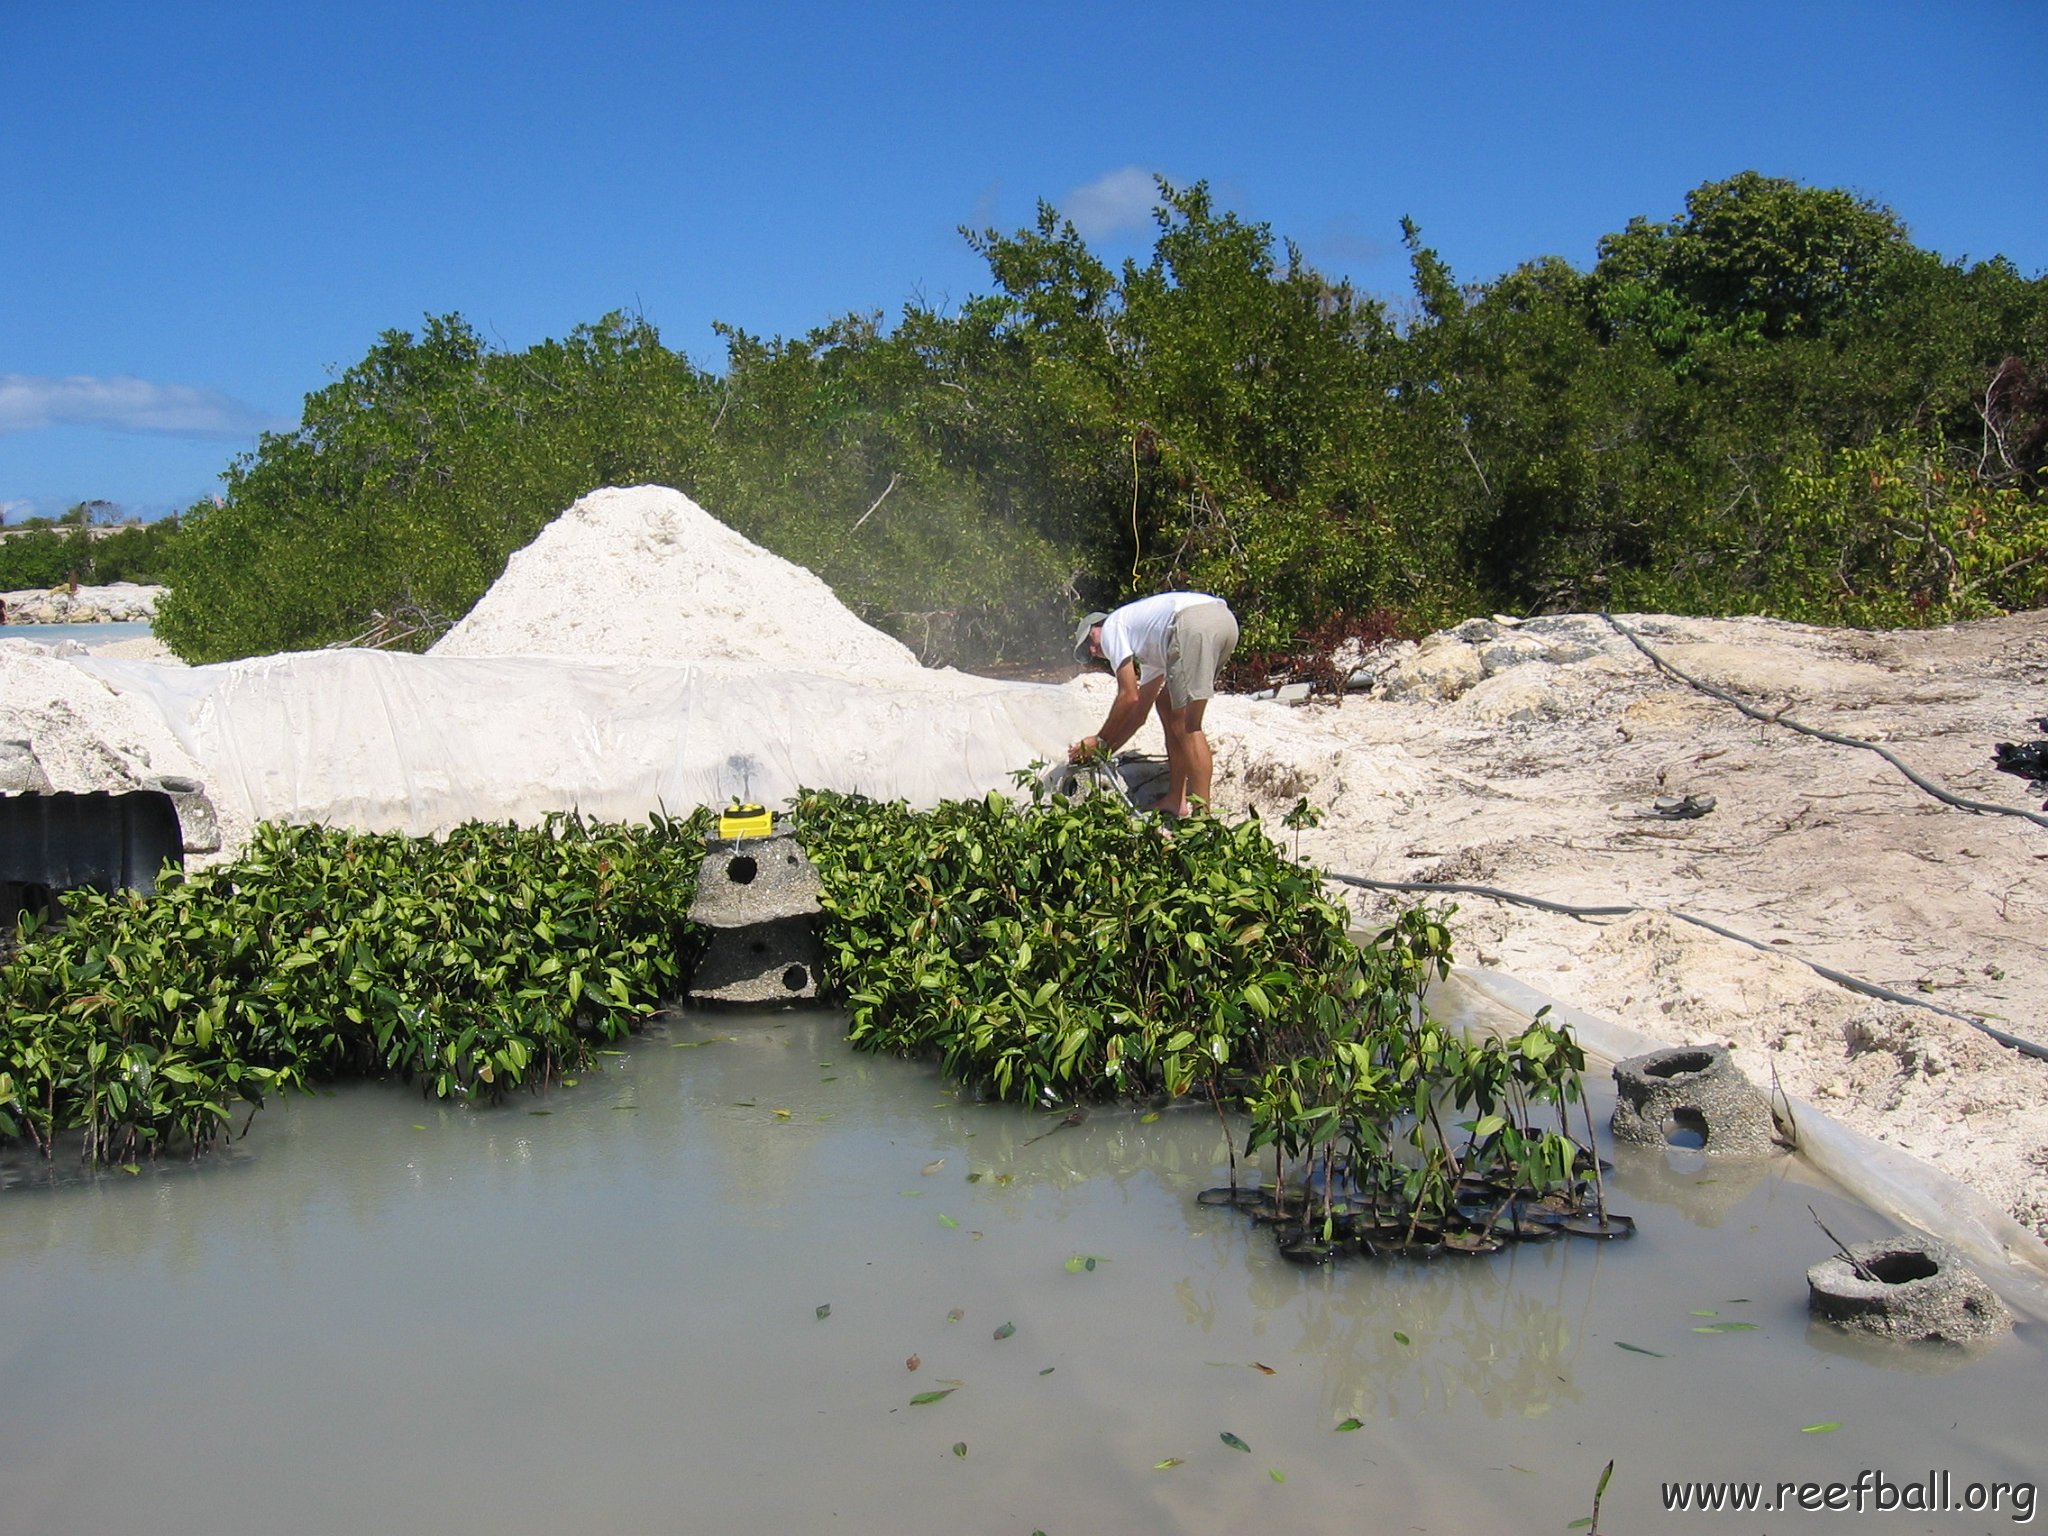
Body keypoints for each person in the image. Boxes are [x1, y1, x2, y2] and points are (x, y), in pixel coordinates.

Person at [1069, 592, 1239, 818]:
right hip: (1223, 622)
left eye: (1090, 640)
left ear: (1099, 625)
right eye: (1085, 653)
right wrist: (1105, 751)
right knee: (1166, 705)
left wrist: (1098, 740)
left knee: (1188, 724)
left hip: (1194, 623)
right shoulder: (1149, 647)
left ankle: (1203, 820)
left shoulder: (1113, 627)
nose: (1092, 651)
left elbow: (1129, 695)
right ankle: (1175, 799)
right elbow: (1138, 715)